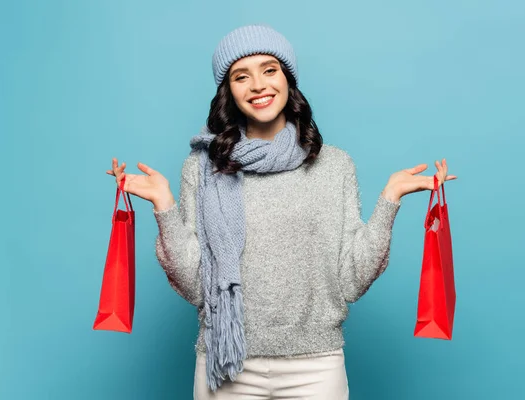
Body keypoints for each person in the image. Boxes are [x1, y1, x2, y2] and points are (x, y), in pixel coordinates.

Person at [107, 24, 456, 400]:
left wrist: (390, 198)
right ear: (229, 92)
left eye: (269, 70)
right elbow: (197, 287)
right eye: (242, 76)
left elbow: (352, 280)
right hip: (227, 362)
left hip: (316, 364)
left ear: (288, 79)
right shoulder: (203, 169)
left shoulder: (333, 166)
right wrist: (165, 207)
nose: (258, 85)